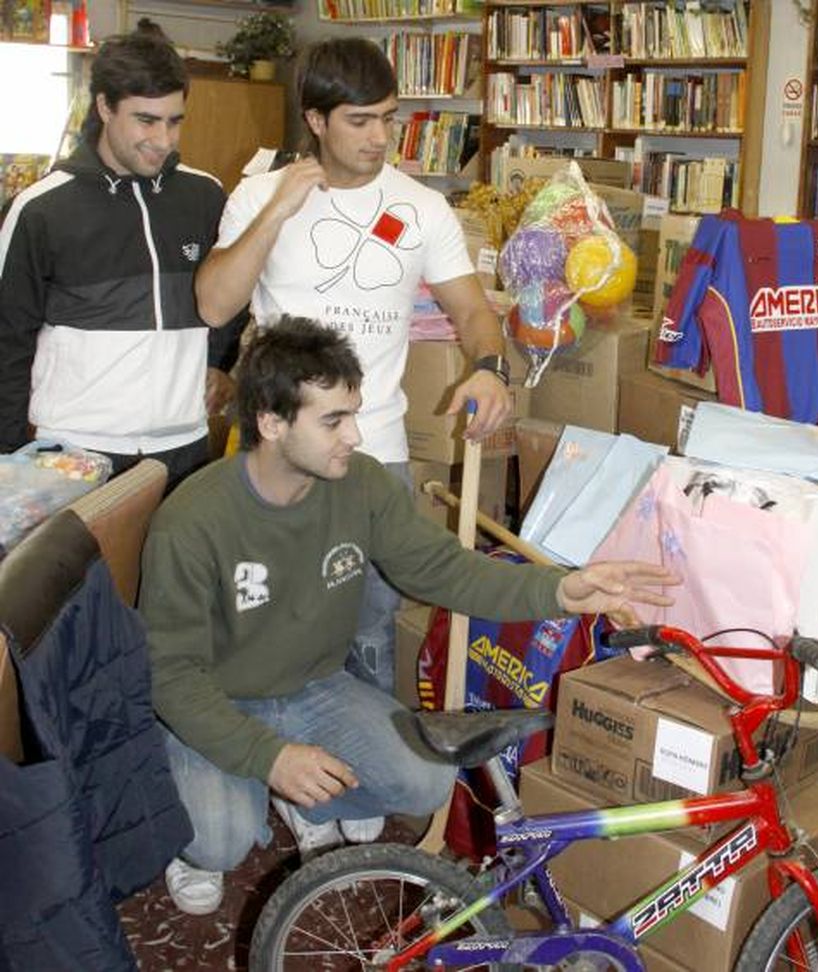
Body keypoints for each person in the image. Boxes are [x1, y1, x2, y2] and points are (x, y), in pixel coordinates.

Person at [139, 317, 679, 916]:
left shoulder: (360, 485)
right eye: (332, 421)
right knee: (221, 841)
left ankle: (303, 795)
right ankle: (212, 824)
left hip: (314, 686)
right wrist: (268, 756)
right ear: (270, 423)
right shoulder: (191, 520)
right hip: (220, 698)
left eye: (354, 413)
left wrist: (561, 591)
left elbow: (446, 571)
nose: (354, 435)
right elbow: (172, 678)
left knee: (426, 780)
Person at [193, 37, 510, 697]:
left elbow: (476, 315)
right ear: (315, 120)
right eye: (359, 121)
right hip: (271, 454)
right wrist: (282, 206)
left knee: (370, 628)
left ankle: (358, 790)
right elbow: (215, 302)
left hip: (376, 452)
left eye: (388, 117)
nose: (380, 137)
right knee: (259, 628)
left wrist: (488, 368)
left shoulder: (422, 208)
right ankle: (273, 773)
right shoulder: (259, 196)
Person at [0, 21, 245, 487]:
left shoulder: (206, 196)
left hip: (183, 446)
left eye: (175, 121)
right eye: (146, 120)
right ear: (105, 107)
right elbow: (7, 339)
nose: (164, 140)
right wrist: (7, 460)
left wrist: (218, 360)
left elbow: (233, 293)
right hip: (72, 451)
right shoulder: (41, 209)